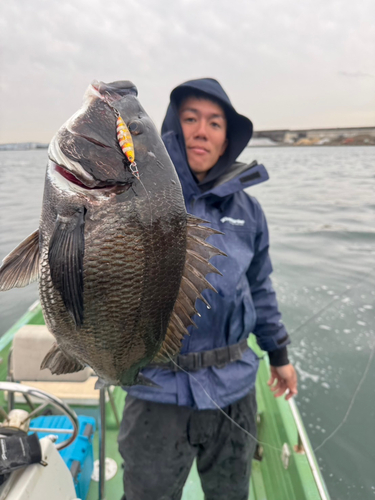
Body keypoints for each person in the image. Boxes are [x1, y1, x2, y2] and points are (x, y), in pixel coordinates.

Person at [118, 78, 298, 500]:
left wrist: (280, 354)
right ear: (171, 130)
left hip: (232, 389)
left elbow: (260, 286)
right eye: (190, 118)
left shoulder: (249, 210)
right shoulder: (135, 196)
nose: (202, 130)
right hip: (155, 389)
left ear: (226, 140)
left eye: (215, 123)